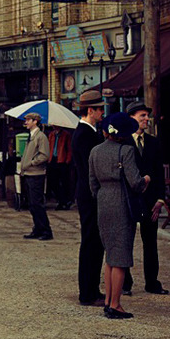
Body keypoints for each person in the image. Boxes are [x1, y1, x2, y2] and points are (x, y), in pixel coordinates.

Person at [89, 112, 149, 320]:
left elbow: (92, 184)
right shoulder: (126, 151)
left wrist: (103, 195)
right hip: (122, 202)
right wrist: (146, 180)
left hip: (103, 201)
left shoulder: (95, 151)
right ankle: (116, 304)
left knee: (109, 255)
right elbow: (135, 182)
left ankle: (107, 300)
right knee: (121, 255)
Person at [124, 100, 168, 296]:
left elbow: (159, 172)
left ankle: (152, 282)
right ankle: (125, 283)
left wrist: (160, 199)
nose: (146, 119)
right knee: (125, 241)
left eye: (147, 116)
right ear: (132, 117)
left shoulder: (154, 142)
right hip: (129, 200)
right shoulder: (123, 141)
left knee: (150, 242)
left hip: (151, 201)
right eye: (142, 116)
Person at [71, 89, 105, 306]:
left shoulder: (91, 131)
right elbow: (89, 170)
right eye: (100, 109)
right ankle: (87, 292)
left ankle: (93, 288)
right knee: (91, 242)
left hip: (91, 194)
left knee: (95, 242)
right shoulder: (85, 134)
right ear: (90, 110)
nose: (103, 112)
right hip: (89, 195)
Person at [20, 113, 52, 240]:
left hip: (36, 174)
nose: (26, 122)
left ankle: (45, 230)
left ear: (35, 121)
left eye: (28, 120)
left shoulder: (40, 137)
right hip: (29, 173)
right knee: (32, 204)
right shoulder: (32, 136)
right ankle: (37, 228)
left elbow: (44, 155)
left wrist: (32, 163)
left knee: (37, 203)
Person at [47, 126, 73, 210]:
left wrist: (67, 160)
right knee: (53, 181)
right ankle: (60, 199)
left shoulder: (66, 134)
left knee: (64, 181)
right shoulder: (51, 134)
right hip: (52, 160)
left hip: (62, 160)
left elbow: (69, 148)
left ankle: (65, 201)